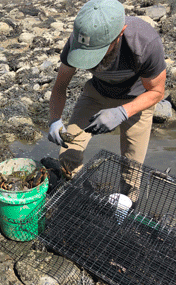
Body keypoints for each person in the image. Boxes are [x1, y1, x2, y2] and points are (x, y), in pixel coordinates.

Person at [47, 0, 166, 197]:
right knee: (68, 154)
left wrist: (122, 112)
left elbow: (157, 92)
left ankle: (125, 209)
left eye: (100, 50)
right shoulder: (77, 42)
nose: (96, 59)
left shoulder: (144, 43)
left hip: (137, 99)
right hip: (97, 94)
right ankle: (84, 197)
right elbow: (60, 87)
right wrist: (54, 120)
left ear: (120, 33)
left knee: (132, 169)